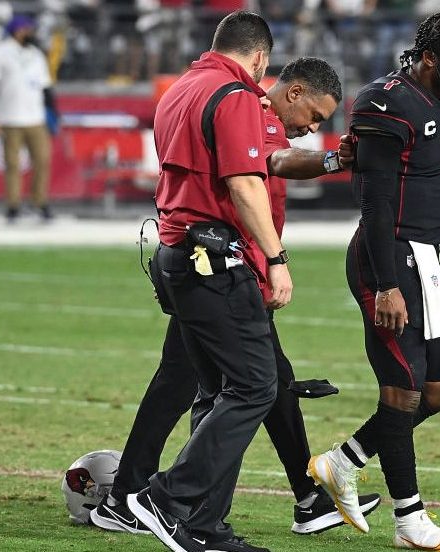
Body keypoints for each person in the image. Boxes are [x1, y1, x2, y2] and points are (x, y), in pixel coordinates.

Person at [88, 57, 381, 540]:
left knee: (238, 382)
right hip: (220, 266)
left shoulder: (199, 91)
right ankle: (152, 500)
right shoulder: (247, 107)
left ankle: (265, 505)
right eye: (315, 115)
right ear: (294, 91)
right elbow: (270, 164)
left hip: (209, 262)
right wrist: (277, 256)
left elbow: (274, 161)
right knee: (243, 385)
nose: (312, 128)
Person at [307, 12, 440, 551]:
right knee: (403, 390)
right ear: (429, 57)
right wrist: (386, 284)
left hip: (428, 254)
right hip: (385, 256)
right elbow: (377, 199)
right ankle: (410, 520)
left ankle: (343, 462)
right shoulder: (385, 101)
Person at [123, 12, 289, 552]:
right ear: (260, 58)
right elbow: (243, 184)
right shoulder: (234, 95)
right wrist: (276, 257)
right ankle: (166, 497)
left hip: (175, 254)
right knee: (255, 386)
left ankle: (202, 525)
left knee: (215, 389)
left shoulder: (179, 89)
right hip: (212, 258)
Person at [0, 14, 57, 223]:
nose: (31, 33)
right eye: (27, 29)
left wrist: (54, 113)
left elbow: (45, 87)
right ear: (17, 30)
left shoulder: (36, 54)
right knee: (13, 165)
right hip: (10, 117)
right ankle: (13, 206)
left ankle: (38, 203)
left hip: (36, 117)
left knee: (43, 160)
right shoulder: (0, 53)